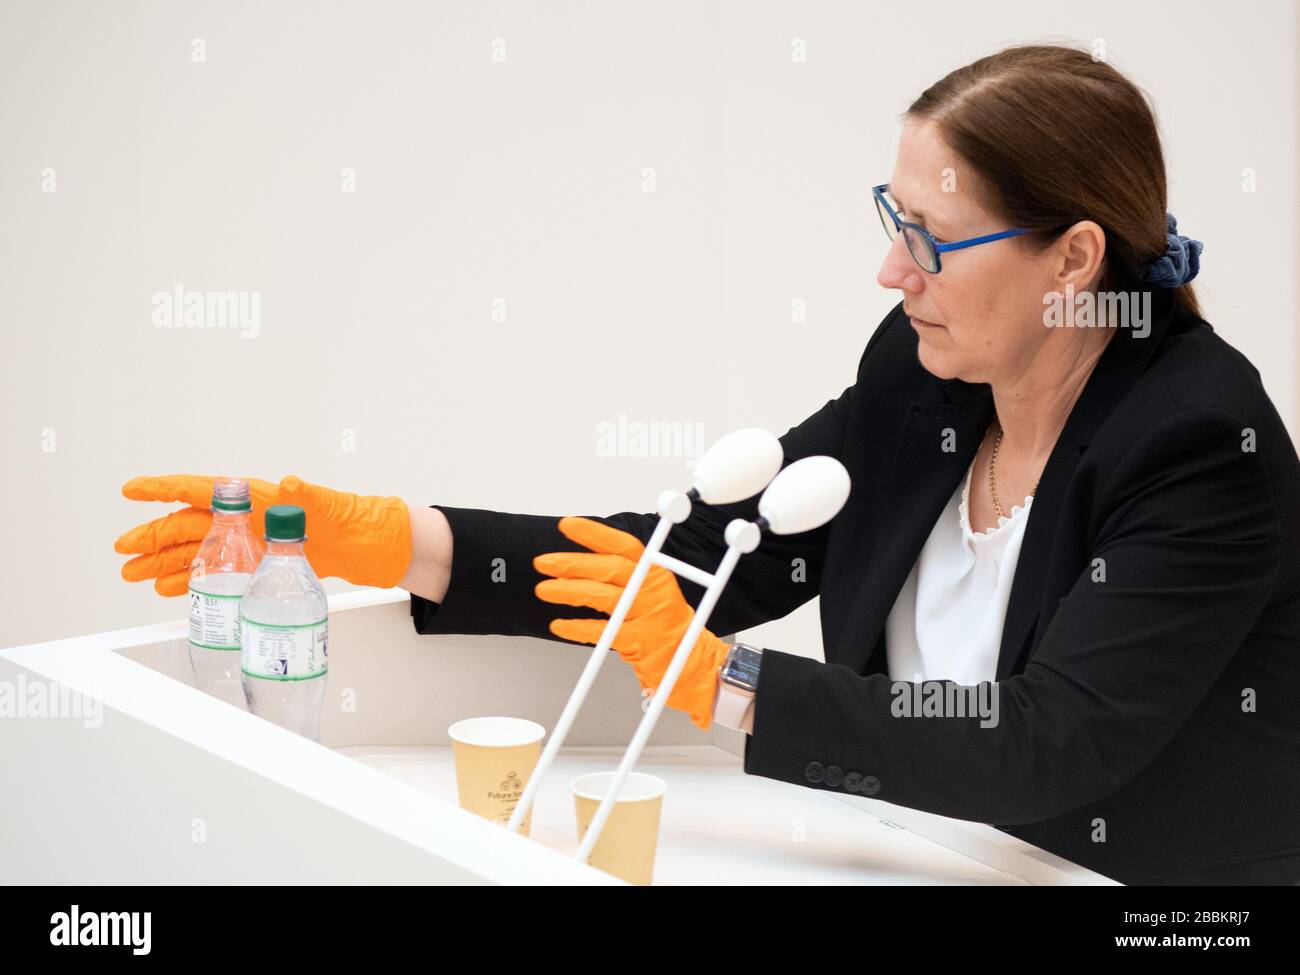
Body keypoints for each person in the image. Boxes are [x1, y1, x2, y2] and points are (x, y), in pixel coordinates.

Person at [116, 44, 1300, 885]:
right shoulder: (926, 370)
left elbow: (1045, 736)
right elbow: (714, 551)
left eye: (930, 239)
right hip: (926, 860)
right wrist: (398, 538)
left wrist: (722, 685)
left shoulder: (1199, 444)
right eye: (891, 222)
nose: (892, 275)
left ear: (1073, 259)